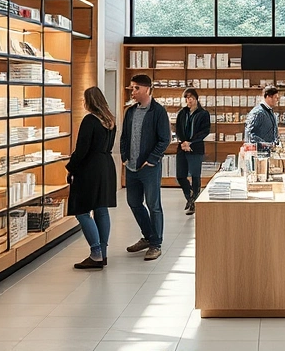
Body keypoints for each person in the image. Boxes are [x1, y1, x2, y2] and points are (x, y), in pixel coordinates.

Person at [120, 74, 171, 261]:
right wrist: (125, 158)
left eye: (136, 88)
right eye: (132, 88)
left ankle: (155, 244)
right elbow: (124, 137)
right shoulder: (130, 112)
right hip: (131, 167)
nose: (132, 92)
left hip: (149, 167)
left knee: (153, 205)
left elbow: (165, 139)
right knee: (133, 202)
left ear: (147, 89)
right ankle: (148, 236)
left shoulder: (158, 111)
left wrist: (151, 159)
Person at [66, 87, 117, 270]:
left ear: (89, 101)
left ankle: (95, 253)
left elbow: (82, 150)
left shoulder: (90, 120)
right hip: (106, 166)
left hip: (90, 168)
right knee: (101, 209)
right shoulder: (110, 121)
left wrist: (71, 167)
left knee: (82, 211)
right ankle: (103, 253)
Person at [175, 88, 211, 216]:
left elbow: (205, 131)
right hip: (182, 147)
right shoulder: (182, 113)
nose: (188, 100)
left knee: (195, 175)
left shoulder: (203, 113)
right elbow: (178, 129)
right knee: (180, 175)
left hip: (196, 148)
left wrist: (191, 142)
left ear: (196, 98)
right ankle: (190, 196)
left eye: (190, 98)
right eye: (186, 98)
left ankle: (194, 202)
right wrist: (183, 142)